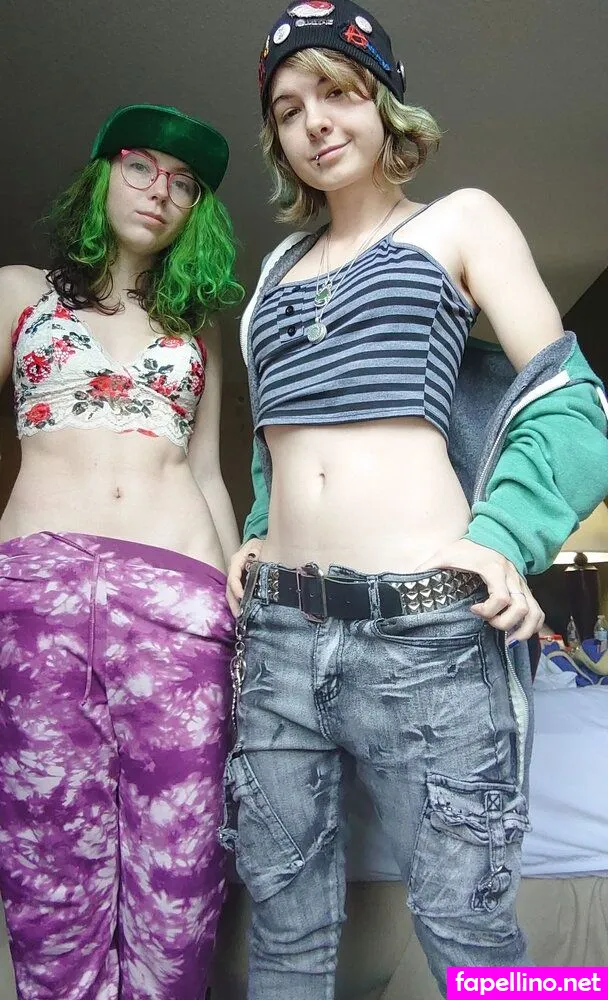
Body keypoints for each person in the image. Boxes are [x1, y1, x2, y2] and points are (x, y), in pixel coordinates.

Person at [222, 3, 608, 998]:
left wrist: (503, 534)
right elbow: (277, 437)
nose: (314, 122)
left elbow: (572, 402)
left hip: (426, 630)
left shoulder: (459, 221)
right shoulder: (271, 274)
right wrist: (258, 530)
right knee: (284, 924)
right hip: (278, 636)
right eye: (288, 108)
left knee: (468, 929)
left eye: (337, 92)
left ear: (383, 100)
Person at [0, 103, 243, 999]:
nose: (160, 191)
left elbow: (207, 474)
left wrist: (243, 618)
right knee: (46, 854)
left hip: (180, 600)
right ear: (102, 174)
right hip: (36, 597)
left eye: (184, 184)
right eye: (141, 166)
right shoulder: (19, 292)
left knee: (183, 863)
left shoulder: (196, 329)